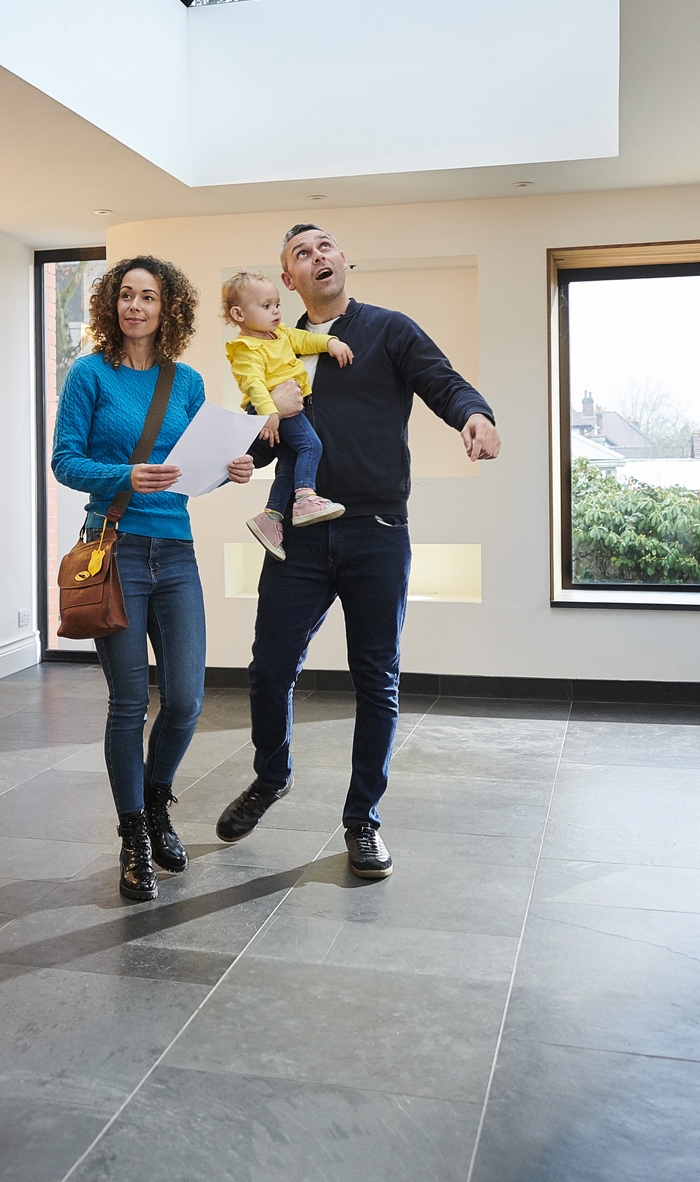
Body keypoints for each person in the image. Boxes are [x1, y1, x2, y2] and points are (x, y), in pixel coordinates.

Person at [215, 223, 499, 879]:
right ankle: (271, 776)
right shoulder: (274, 344)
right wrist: (246, 447)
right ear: (287, 280)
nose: (316, 256)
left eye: (324, 246)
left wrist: (473, 415)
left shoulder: (388, 330)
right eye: (301, 253)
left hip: (376, 531)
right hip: (298, 534)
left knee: (376, 680)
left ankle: (362, 821)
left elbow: (443, 381)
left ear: (343, 260)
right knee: (269, 668)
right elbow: (268, 441)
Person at [53, 255, 255, 901]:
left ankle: (157, 800)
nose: (135, 306)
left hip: (174, 551)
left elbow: (194, 469)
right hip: (114, 550)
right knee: (129, 703)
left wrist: (230, 471)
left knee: (187, 699)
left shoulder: (186, 381)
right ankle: (134, 834)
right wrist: (125, 475)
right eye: (126, 295)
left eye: (148, 297)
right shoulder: (89, 374)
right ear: (110, 304)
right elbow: (64, 461)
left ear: (168, 309)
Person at [221, 268, 354, 560]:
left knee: (291, 460)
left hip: (280, 408)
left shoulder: (279, 334)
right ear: (239, 314)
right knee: (311, 445)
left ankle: (271, 516)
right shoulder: (246, 348)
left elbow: (304, 340)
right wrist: (271, 413)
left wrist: (330, 343)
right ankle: (305, 497)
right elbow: (253, 384)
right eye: (266, 306)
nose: (276, 311)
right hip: (270, 407)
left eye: (277, 304)